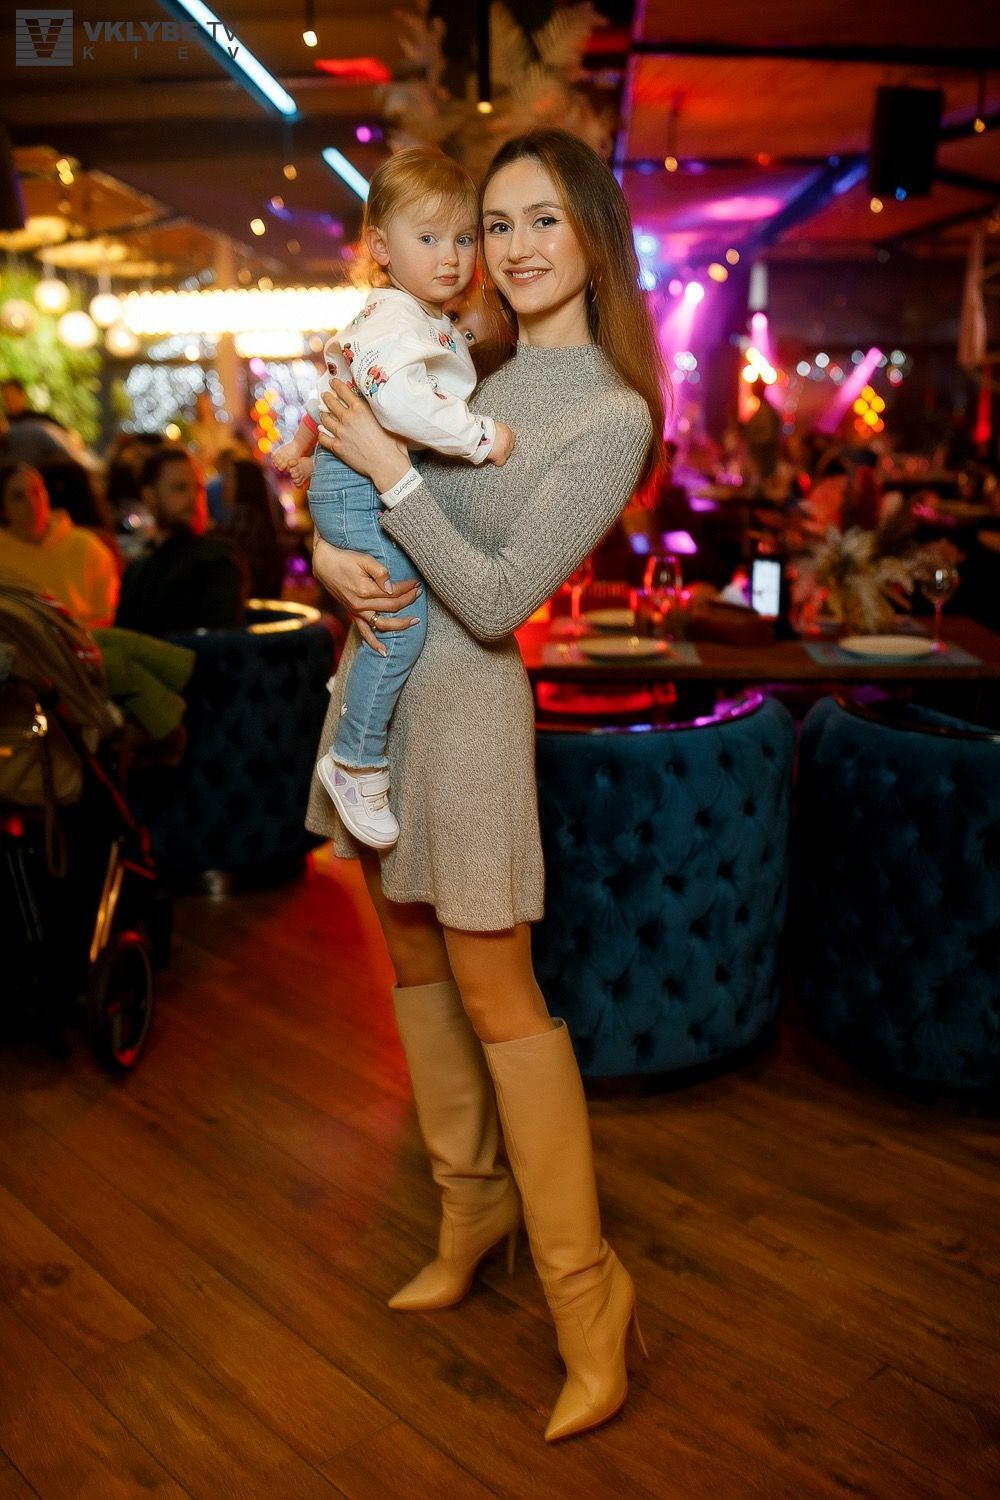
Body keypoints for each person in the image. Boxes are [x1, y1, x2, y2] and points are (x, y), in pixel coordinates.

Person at [306, 129, 665, 1443]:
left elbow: (502, 599)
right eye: (494, 223)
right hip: (379, 691)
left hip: (467, 717)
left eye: (540, 220)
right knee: (410, 967)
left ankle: (589, 1298)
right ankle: (471, 1214)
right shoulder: (465, 365)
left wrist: (393, 473)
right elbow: (357, 496)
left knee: (501, 997)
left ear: (595, 238)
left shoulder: (609, 414)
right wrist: (328, 550)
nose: (509, 248)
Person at [272, 148, 516, 851]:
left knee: (387, 605)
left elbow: (335, 385)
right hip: (358, 484)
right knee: (401, 617)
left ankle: (357, 686)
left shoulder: (412, 315)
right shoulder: (394, 319)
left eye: (464, 238)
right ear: (380, 247)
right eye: (429, 238)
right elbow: (401, 404)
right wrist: (481, 437)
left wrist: (301, 444)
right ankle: (356, 761)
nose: (452, 257)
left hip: (352, 478)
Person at [116, 446, 246, 636]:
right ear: (149, 496)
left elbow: (219, 641)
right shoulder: (138, 571)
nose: (193, 498)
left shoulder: (218, 559)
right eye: (180, 488)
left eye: (198, 488)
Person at [0, 462, 118, 629]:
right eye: (18, 497)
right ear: (4, 509)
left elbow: (106, 614)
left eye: (36, 491)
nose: (32, 502)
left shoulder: (86, 546)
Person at [218, 457, 286, 598]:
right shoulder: (257, 520)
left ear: (244, 483)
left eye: (230, 478)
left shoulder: (245, 524)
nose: (224, 484)